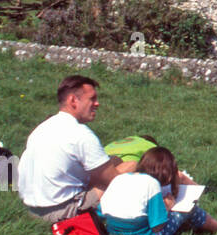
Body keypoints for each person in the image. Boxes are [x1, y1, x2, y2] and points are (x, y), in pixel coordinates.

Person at [18, 75, 136, 223]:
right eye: (92, 99)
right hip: (62, 211)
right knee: (129, 167)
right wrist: (134, 167)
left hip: (33, 209)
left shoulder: (43, 127)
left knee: (115, 160)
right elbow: (114, 181)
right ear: (73, 100)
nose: (97, 103)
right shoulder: (81, 134)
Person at [100, 146, 217, 235]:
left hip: (113, 232)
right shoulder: (152, 184)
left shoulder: (121, 178)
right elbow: (158, 226)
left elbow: (102, 210)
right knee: (189, 210)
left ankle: (204, 227)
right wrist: (168, 206)